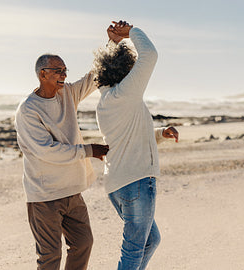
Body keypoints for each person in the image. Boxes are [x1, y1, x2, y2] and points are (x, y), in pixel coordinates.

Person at [93, 20, 179, 270]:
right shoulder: (126, 94)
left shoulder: (108, 98)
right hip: (136, 183)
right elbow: (150, 55)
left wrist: (161, 133)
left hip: (118, 185)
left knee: (151, 240)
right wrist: (131, 33)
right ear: (127, 71)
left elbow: (132, 136)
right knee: (132, 252)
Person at [14, 49, 109, 269]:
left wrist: (111, 44)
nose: (64, 75)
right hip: (44, 195)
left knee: (84, 243)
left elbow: (92, 78)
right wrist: (88, 150)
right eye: (58, 71)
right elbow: (47, 150)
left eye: (65, 70)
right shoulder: (27, 110)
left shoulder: (67, 94)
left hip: (72, 191)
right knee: (50, 257)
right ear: (42, 74)